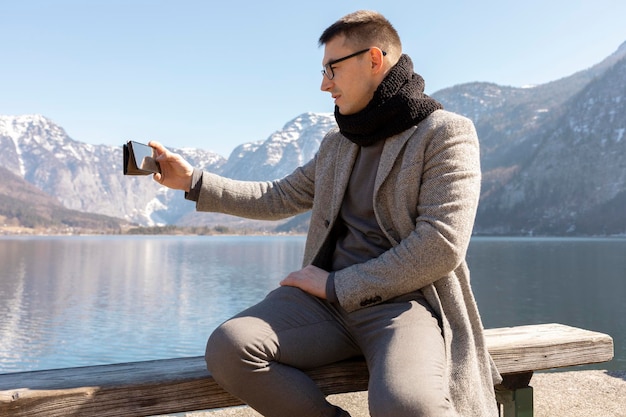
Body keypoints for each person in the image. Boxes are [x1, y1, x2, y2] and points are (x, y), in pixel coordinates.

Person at [149, 10, 501, 417]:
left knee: (409, 405)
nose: (323, 84)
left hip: (405, 305)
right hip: (322, 307)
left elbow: (441, 246)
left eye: (332, 68)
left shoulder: (444, 133)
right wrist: (192, 180)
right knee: (231, 346)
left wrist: (337, 284)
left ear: (374, 59)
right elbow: (277, 197)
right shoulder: (338, 142)